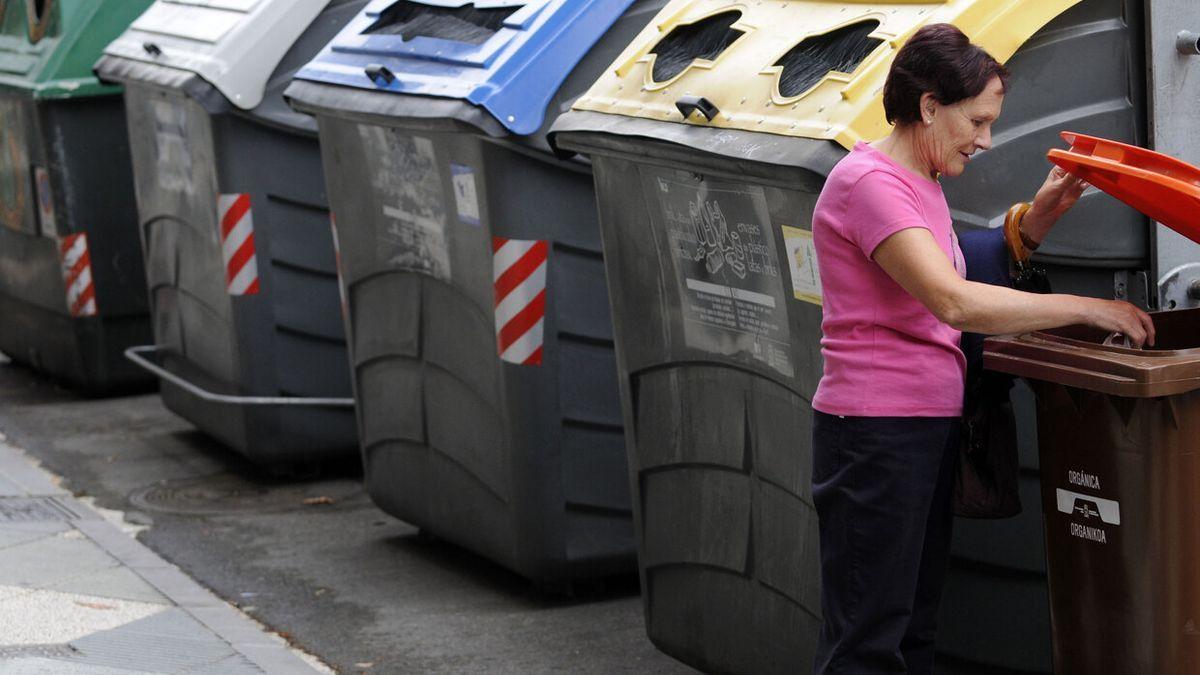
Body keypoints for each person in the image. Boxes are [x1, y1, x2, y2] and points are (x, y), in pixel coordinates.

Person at [809, 23, 1155, 674]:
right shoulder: (870, 183)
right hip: (876, 433)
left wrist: (1038, 219)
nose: (986, 139)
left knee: (911, 625)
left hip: (915, 429)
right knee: (868, 637)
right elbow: (954, 300)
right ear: (929, 105)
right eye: (978, 120)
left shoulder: (920, 186)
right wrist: (1088, 307)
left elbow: (960, 267)